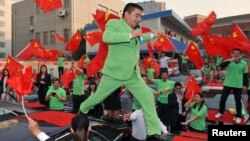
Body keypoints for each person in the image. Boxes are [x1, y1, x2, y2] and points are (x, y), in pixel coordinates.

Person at [80, 3, 162, 138]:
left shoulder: (137, 28)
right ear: (126, 14)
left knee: (148, 97)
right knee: (98, 97)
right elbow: (107, 37)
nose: (139, 19)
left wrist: (153, 35)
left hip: (132, 74)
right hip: (114, 73)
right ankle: (82, 111)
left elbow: (139, 39)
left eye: (140, 16)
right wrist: (130, 34)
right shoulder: (114, 23)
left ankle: (154, 133)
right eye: (137, 15)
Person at [214, 48, 248, 124]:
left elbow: (245, 75)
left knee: (238, 101)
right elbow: (219, 68)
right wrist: (230, 61)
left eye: (237, 53)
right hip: (228, 83)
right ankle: (220, 112)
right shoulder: (228, 61)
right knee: (223, 99)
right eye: (234, 53)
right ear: (232, 54)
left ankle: (239, 116)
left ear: (240, 54)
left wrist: (245, 85)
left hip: (238, 85)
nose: (236, 54)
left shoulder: (244, 63)